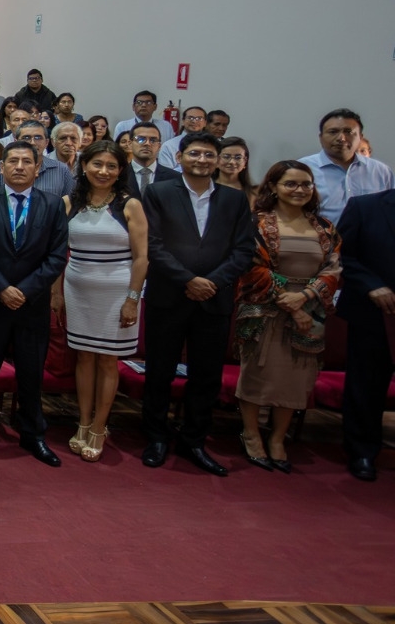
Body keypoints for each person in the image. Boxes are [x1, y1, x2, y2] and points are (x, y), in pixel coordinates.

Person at [139, 132, 258, 477]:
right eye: (195, 153)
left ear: (218, 160)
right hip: (169, 296)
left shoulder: (234, 201)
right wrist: (188, 280)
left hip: (214, 300)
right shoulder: (158, 193)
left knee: (206, 375)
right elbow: (153, 244)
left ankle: (194, 441)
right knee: (159, 372)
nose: (202, 160)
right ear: (180, 158)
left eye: (209, 154)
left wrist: (213, 282)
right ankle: (157, 437)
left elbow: (244, 250)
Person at [0, 142, 70, 466]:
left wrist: (24, 290)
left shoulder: (51, 205)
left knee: (31, 374)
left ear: (38, 169)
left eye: (26, 161)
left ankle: (33, 433)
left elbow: (56, 256)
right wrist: (3, 288)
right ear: (1, 168)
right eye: (13, 161)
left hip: (31, 305)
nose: (19, 166)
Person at [231, 161, 339, 473]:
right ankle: (251, 433)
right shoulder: (258, 224)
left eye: (306, 184)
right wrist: (288, 302)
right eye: (290, 184)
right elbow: (251, 267)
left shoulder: (324, 228)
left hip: (310, 311)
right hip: (264, 309)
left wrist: (304, 299)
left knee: (296, 379)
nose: (299, 190)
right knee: (256, 373)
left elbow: (333, 269)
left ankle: (277, 437)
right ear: (274, 187)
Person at [56, 140, 147, 462]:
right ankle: (82, 421)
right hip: (78, 291)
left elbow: (141, 258)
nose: (103, 171)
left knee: (108, 360)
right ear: (84, 166)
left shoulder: (129, 205)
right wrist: (56, 292)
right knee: (83, 358)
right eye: (97, 164)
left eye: (111, 166)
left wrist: (133, 299)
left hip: (116, 293)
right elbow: (57, 253)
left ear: (121, 170)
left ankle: (99, 426)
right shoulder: (70, 203)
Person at [338, 188, 395, 481]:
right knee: (367, 384)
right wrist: (371, 284)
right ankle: (361, 451)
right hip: (375, 310)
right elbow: (342, 254)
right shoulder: (365, 206)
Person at [302, 109, 393, 226]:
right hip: (321, 241)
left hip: (370, 242)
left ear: (360, 137)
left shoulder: (380, 171)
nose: (341, 138)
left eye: (348, 132)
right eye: (333, 132)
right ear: (321, 137)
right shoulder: (303, 169)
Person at [0, 121, 74, 198]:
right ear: (16, 142)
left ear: (46, 142)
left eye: (38, 138)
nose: (32, 142)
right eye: (26, 137)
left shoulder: (61, 169)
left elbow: (73, 203)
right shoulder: (0, 167)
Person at [124, 122, 180, 197]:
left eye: (153, 140)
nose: (147, 143)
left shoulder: (174, 178)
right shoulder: (119, 175)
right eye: (141, 139)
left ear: (159, 146)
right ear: (130, 144)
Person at [155, 106, 208, 171]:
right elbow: (165, 173)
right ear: (183, 121)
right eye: (190, 118)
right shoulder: (169, 146)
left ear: (205, 123)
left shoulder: (210, 145)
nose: (194, 121)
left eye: (199, 118)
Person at [216, 136, 256, 207]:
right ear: (217, 159)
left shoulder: (254, 193)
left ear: (245, 161)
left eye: (238, 157)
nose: (232, 162)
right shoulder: (206, 188)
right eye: (226, 157)